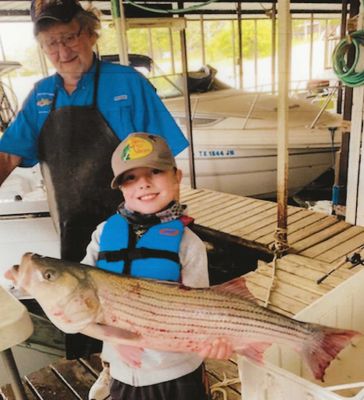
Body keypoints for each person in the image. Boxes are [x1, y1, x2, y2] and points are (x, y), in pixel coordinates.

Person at [0, 0, 188, 358]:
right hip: (73, 232)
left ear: (89, 33)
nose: (62, 50)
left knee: (143, 316)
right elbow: (7, 156)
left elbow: (163, 155)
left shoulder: (128, 83)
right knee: (82, 319)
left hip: (136, 225)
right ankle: (99, 373)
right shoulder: (41, 95)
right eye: (51, 43)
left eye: (69, 37)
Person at [82, 132, 232, 400]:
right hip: (122, 372)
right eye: (130, 177)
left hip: (177, 374)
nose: (144, 184)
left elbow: (201, 309)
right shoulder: (103, 233)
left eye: (155, 171)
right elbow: (82, 295)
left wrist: (215, 339)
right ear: (121, 188)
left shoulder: (189, 244)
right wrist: (116, 341)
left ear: (177, 176)